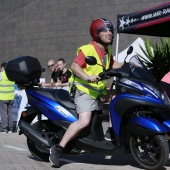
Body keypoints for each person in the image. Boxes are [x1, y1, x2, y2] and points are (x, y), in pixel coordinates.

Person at [49, 18, 124, 167]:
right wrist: (88, 77)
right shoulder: (88, 49)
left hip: (97, 91)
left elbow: (111, 64)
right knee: (84, 121)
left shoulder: (106, 50)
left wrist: (129, 65)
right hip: (84, 91)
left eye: (111, 31)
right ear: (96, 33)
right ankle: (58, 149)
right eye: (105, 31)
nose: (109, 33)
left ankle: (110, 132)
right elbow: (75, 66)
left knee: (119, 96)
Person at [0, 62, 15, 133]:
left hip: (3, 97)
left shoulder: (1, 75)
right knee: (10, 113)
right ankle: (11, 129)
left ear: (3, 67)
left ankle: (4, 129)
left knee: (3, 114)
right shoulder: (12, 75)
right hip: (11, 97)